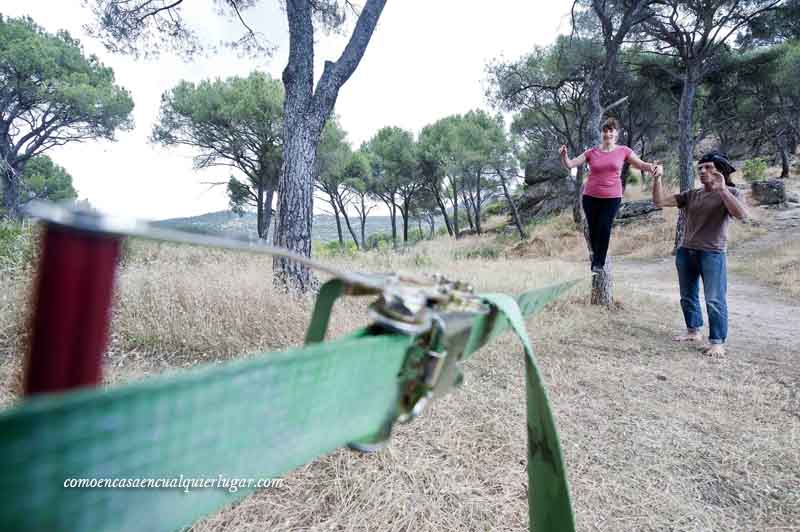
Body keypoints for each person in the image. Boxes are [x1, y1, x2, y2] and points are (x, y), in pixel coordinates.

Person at [652, 151, 748, 356]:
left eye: (709, 168)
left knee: (714, 299)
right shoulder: (692, 194)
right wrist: (657, 178)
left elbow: (741, 215)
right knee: (687, 296)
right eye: (701, 168)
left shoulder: (731, 192)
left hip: (712, 253)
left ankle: (717, 342)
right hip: (686, 251)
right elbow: (659, 202)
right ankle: (693, 331)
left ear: (720, 172)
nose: (703, 171)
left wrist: (722, 190)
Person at [559, 118, 660, 273]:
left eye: (611, 130)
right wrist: (564, 155)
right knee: (593, 229)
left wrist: (652, 167)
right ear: (601, 133)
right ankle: (595, 255)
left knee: (605, 226)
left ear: (616, 133)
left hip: (612, 197)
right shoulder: (591, 152)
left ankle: (599, 263)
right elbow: (571, 164)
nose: (608, 134)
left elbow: (639, 164)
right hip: (590, 197)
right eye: (605, 131)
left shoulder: (623, 151)